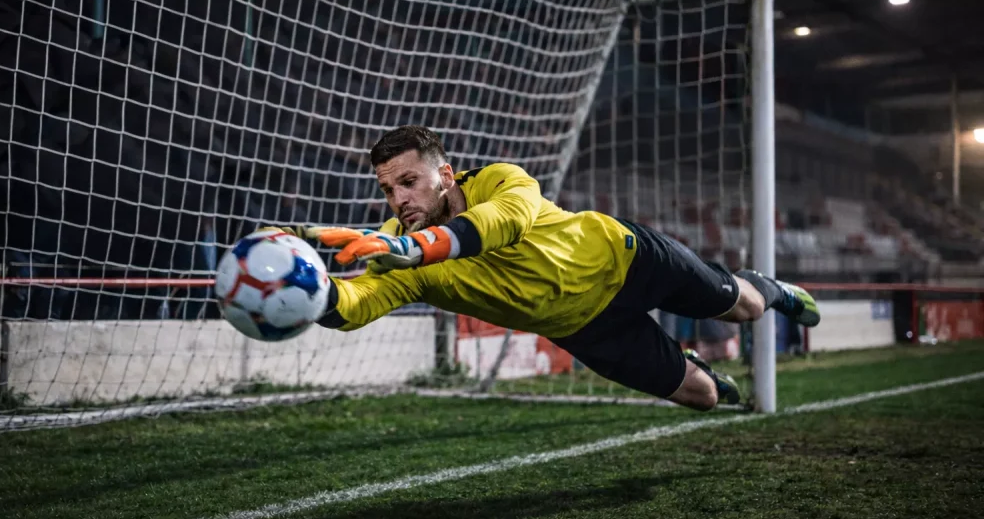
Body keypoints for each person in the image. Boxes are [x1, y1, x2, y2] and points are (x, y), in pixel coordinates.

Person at [284, 125, 819, 411]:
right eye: (387, 189)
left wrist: (419, 247)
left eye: (408, 182)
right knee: (703, 397)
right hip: (584, 328)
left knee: (744, 308)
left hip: (626, 258)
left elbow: (503, 224)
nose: (398, 199)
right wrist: (310, 292)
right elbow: (358, 306)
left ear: (445, 174)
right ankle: (693, 366)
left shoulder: (498, 180)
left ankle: (769, 286)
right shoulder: (398, 252)